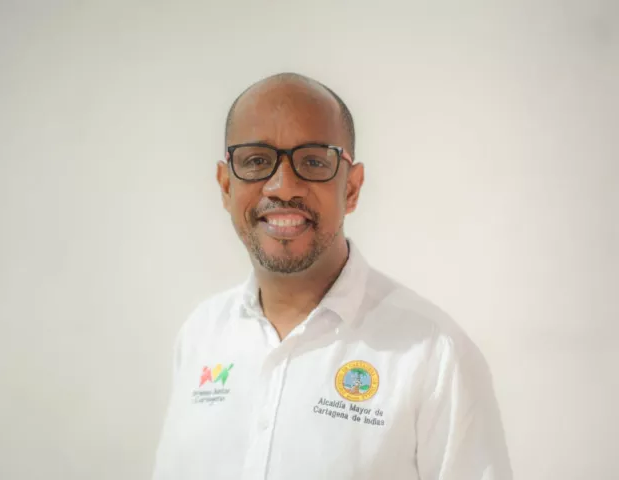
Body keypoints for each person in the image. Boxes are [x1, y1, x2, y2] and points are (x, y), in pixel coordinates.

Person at [151, 72, 512, 479]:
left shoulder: (434, 354)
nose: (283, 186)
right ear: (225, 186)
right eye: (256, 161)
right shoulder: (201, 334)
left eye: (313, 162)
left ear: (352, 188)